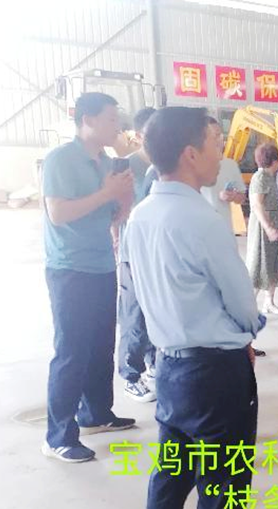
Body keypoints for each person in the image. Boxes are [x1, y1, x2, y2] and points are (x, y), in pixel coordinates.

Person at [125, 107, 263, 509]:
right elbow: (242, 304)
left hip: (170, 366)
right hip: (215, 375)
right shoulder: (202, 220)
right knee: (223, 491)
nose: (221, 154)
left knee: (170, 481)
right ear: (189, 154)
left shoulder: (141, 215)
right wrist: (248, 332)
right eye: (215, 144)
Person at [40, 92, 136, 463]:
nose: (117, 126)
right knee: (71, 350)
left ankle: (96, 413)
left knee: (100, 344)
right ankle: (58, 436)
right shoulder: (61, 159)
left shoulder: (107, 163)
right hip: (70, 268)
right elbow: (58, 213)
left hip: (101, 264)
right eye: (111, 119)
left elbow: (114, 216)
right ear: (88, 120)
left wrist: (122, 197)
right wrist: (106, 192)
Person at [116, 106, 158, 403]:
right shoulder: (128, 166)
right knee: (134, 317)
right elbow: (119, 210)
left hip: (157, 252)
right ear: (140, 135)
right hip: (133, 253)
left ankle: (153, 364)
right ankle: (131, 375)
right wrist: (116, 239)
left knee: (156, 312)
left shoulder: (166, 164)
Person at [246, 143, 278, 314]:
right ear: (275, 160)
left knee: (272, 262)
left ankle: (269, 302)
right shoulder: (260, 177)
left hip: (273, 224)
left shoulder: (271, 176)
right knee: (259, 262)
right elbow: (257, 204)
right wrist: (268, 227)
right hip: (263, 226)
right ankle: (248, 305)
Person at [200, 117, 246, 231]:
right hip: (200, 228)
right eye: (214, 136)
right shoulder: (193, 165)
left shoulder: (231, 165)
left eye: (219, 135)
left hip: (224, 228)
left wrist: (233, 196)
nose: (219, 140)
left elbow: (241, 197)